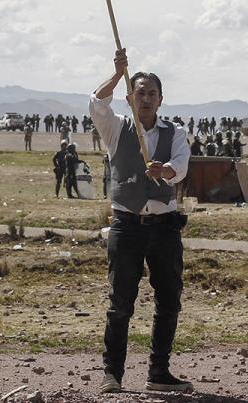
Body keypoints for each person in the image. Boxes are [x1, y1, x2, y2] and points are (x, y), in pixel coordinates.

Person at [90, 48, 192, 394]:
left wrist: (163, 171)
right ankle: (112, 374)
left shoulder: (174, 133)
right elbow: (96, 104)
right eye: (139, 92)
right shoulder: (117, 130)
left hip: (164, 227)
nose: (145, 98)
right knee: (120, 303)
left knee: (169, 301)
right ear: (130, 98)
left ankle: (158, 373)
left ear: (160, 100)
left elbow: (180, 168)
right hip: (127, 226)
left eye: (151, 93)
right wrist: (118, 74)